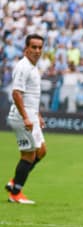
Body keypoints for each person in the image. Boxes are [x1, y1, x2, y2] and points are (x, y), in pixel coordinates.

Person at [5, 34, 47, 204]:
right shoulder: (23, 67)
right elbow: (16, 94)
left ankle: (14, 182)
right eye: (34, 47)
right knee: (28, 156)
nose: (37, 50)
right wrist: (26, 118)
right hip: (22, 117)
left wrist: (37, 115)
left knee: (41, 151)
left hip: (31, 115)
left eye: (39, 47)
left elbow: (31, 96)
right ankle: (16, 193)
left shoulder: (33, 67)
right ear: (26, 49)